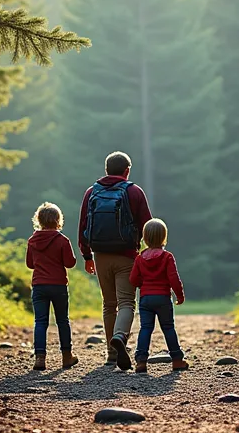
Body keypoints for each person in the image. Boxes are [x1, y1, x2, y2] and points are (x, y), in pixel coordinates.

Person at [78, 151, 152, 370]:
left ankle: (111, 354)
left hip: (100, 255)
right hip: (127, 255)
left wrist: (86, 255)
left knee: (109, 304)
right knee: (127, 302)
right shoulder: (134, 191)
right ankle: (120, 336)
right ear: (127, 170)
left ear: (106, 169)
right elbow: (147, 225)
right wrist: (148, 255)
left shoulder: (91, 192)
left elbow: (83, 226)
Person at [129, 218, 189, 373]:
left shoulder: (140, 258)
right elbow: (174, 279)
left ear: (145, 238)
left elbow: (133, 280)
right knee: (168, 328)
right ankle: (177, 360)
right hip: (163, 298)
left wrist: (143, 284)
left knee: (145, 329)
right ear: (164, 237)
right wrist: (179, 296)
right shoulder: (167, 257)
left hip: (146, 299)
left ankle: (141, 361)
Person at [26, 202, 78, 371]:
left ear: (39, 220)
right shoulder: (62, 240)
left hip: (39, 285)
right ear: (58, 220)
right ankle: (66, 357)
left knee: (40, 322)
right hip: (58, 286)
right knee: (62, 321)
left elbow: (30, 264)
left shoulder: (32, 240)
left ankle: (40, 358)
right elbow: (70, 263)